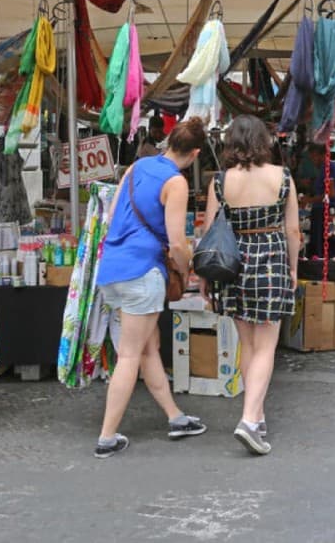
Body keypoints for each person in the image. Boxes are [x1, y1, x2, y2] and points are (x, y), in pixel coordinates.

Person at [93, 118, 208, 459]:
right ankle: (107, 436)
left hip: (111, 269)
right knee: (130, 354)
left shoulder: (137, 166)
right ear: (196, 153)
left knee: (147, 347)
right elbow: (176, 242)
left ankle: (176, 417)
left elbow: (113, 215)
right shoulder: (176, 182)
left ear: (168, 141)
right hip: (142, 272)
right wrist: (187, 270)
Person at [203, 114, 301, 456]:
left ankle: (256, 416)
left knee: (247, 344)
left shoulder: (220, 181)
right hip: (271, 259)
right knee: (266, 345)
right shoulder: (282, 177)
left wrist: (204, 279)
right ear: (264, 141)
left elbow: (208, 235)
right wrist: (292, 270)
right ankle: (249, 419)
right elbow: (293, 231)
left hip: (233, 264)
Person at [297, 143, 335, 259]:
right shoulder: (325, 168)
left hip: (325, 212)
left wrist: (310, 199)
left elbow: (331, 194)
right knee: (322, 247)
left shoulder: (329, 168)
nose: (312, 160)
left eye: (313, 157)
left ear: (319, 155)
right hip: (321, 211)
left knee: (324, 247)